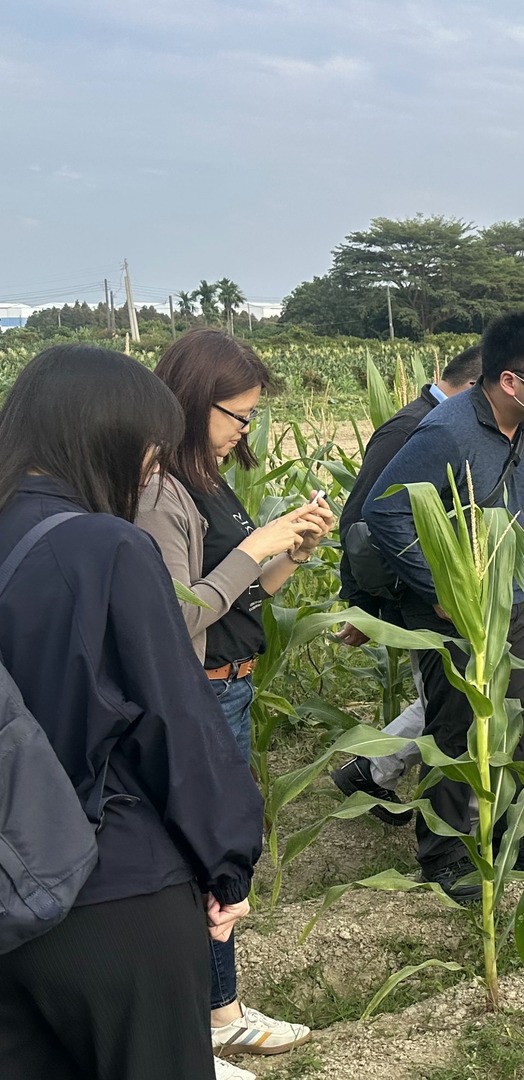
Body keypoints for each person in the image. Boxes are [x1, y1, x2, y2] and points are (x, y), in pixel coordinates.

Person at [0, 345, 263, 1080]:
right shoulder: (105, 546)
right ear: (108, 438)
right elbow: (175, 722)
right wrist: (228, 866)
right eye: (151, 450)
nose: (151, 469)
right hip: (110, 885)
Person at [137, 329, 330, 1059]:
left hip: (233, 686)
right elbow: (176, 616)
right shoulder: (161, 492)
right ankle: (215, 1017)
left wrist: (290, 554)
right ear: (193, 401)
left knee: (217, 857)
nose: (245, 430)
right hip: (202, 695)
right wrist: (253, 548)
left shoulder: (207, 480)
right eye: (238, 415)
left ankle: (219, 1010)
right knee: (206, 859)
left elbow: (239, 600)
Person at [364, 312, 524, 900]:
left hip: (507, 591)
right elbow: (384, 511)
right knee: (456, 726)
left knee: (522, 713)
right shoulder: (447, 432)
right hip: (450, 604)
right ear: (511, 380)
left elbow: (511, 505)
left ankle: (515, 832)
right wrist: (439, 590)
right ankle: (445, 854)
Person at [329, 347, 483, 821]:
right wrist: (362, 606)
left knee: (461, 696)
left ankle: (372, 770)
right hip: (422, 598)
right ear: (478, 387)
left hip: (464, 593)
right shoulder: (410, 429)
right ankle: (377, 773)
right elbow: (359, 523)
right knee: (447, 702)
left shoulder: (459, 427)